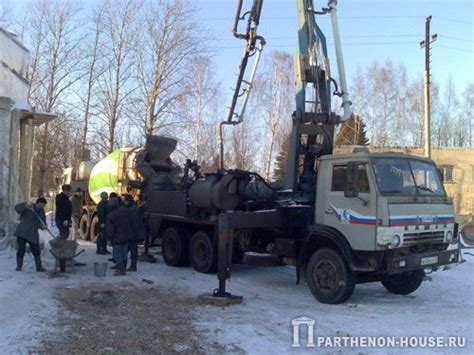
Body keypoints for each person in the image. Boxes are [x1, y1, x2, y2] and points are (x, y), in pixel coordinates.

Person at [14, 197, 48, 272]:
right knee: (21, 250)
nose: (42, 206)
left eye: (44, 205)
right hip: (22, 232)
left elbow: (42, 222)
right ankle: (19, 266)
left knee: (36, 251)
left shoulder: (41, 212)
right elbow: (17, 208)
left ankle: (39, 267)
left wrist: (43, 226)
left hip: (33, 234)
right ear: (38, 203)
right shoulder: (29, 207)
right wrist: (25, 205)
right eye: (42, 204)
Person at [107, 195, 134, 276]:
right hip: (127, 235)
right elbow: (131, 222)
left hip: (117, 237)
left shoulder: (111, 215)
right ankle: (124, 268)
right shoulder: (127, 210)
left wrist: (109, 238)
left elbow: (110, 229)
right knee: (124, 253)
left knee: (118, 254)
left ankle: (121, 270)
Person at [123, 195, 146, 272]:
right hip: (131, 233)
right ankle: (126, 265)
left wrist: (137, 234)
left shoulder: (133, 210)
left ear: (129, 201)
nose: (125, 202)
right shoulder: (132, 208)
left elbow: (135, 223)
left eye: (126, 201)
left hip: (132, 234)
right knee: (129, 250)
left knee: (132, 250)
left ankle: (132, 266)